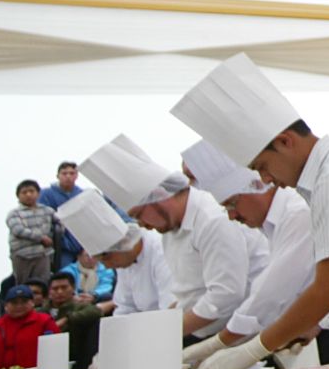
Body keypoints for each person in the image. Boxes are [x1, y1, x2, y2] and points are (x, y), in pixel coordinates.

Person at [173, 54, 329, 367]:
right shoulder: (326, 176)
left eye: (263, 167)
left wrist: (251, 350)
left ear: (285, 141)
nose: (267, 180)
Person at [82, 134, 268, 342]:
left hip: (244, 333)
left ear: (159, 197)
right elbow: (186, 296)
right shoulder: (168, 230)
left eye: (138, 215)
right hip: (205, 332)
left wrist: (166, 334)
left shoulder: (211, 219)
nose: (141, 225)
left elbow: (226, 295)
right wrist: (156, 327)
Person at [180, 141, 317, 369]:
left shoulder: (297, 213)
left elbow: (271, 294)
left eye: (232, 204)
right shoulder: (274, 223)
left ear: (256, 186)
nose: (232, 216)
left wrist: (220, 343)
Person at [0, 284, 59, 369]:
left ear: (32, 302)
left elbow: (56, 353)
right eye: (14, 302)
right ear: (5, 305)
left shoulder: (45, 322)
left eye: (24, 301)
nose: (19, 306)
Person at [43, 271, 102, 369]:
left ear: (73, 288)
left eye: (64, 287)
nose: (60, 292)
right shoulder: (41, 311)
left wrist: (67, 319)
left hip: (75, 357)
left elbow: (96, 312)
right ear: (49, 292)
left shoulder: (80, 307)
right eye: (55, 289)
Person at [5, 178, 56, 288]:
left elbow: (60, 223)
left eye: (31, 191)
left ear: (38, 193)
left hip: (43, 255)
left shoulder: (47, 211)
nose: (28, 195)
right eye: (24, 192)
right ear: (18, 196)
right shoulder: (14, 213)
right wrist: (41, 238)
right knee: (23, 286)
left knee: (43, 285)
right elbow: (18, 230)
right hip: (22, 256)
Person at [37, 160, 86, 267]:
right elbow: (40, 217)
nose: (68, 176)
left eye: (72, 173)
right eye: (64, 173)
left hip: (82, 243)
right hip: (59, 243)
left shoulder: (83, 195)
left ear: (77, 176)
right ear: (58, 176)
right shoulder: (46, 194)